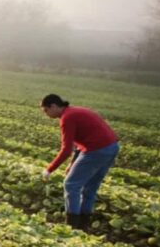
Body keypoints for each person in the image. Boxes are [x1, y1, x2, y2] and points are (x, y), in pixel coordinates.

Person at [39, 94, 120, 231]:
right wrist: (72, 164)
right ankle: (83, 226)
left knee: (71, 185)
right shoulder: (76, 111)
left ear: (53, 106)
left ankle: (71, 225)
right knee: (90, 186)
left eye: (46, 110)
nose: (46, 114)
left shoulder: (67, 118)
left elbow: (66, 149)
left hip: (96, 149)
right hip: (111, 147)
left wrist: (49, 169)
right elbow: (78, 144)